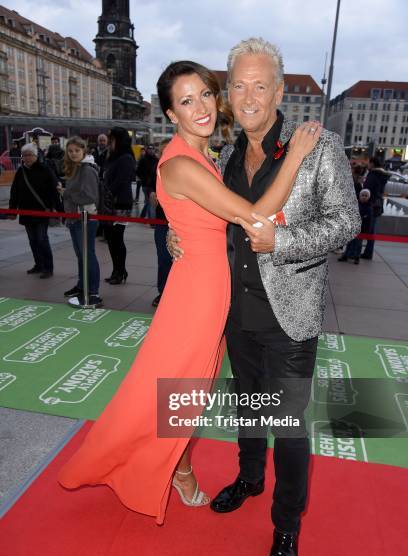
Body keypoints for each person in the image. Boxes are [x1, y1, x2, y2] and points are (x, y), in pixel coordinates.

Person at [58, 59, 320, 529]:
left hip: (213, 291)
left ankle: (174, 465)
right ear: (170, 114)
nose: (199, 106)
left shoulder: (205, 156)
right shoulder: (181, 161)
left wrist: (177, 234)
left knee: (188, 393)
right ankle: (175, 470)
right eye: (185, 100)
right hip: (197, 299)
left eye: (204, 94)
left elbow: (199, 218)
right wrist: (296, 156)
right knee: (178, 391)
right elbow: (254, 215)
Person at [168, 38, 360, 556]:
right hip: (236, 314)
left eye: (261, 84)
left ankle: (285, 527)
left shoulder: (319, 148)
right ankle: (249, 478)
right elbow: (212, 224)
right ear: (228, 93)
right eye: (239, 85)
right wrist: (178, 243)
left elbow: (345, 223)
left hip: (291, 317)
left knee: (290, 428)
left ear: (279, 90)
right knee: (250, 410)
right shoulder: (225, 154)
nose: (249, 96)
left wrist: (284, 242)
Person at [60, 136, 102, 307]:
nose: (73, 154)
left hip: (85, 218)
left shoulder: (87, 169)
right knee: (81, 255)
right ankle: (82, 286)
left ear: (84, 150)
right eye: (70, 151)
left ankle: (93, 292)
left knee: (87, 255)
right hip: (76, 218)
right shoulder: (77, 167)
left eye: (77, 150)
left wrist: (67, 194)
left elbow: (90, 196)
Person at [9, 143, 58, 278]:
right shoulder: (20, 171)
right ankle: (39, 264)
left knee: (42, 239)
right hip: (26, 212)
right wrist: (12, 210)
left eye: (30, 155)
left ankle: (48, 267)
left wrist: (57, 208)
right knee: (32, 240)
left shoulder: (45, 169)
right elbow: (15, 191)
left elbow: (54, 189)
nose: (27, 158)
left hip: (42, 211)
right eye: (25, 155)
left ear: (36, 156)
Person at [102, 127, 136, 285]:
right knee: (110, 238)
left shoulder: (126, 157)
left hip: (120, 202)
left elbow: (122, 181)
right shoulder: (113, 156)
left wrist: (107, 193)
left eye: (112, 139)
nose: (109, 142)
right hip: (110, 202)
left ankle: (120, 271)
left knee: (117, 238)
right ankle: (118, 270)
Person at [148, 139, 173, 307]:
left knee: (180, 261)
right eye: (161, 151)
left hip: (180, 223)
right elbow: (151, 189)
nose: (163, 154)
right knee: (163, 259)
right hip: (161, 221)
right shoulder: (156, 170)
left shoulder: (182, 169)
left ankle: (178, 294)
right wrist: (151, 194)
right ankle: (163, 292)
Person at [360, 156, 389, 260]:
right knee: (372, 230)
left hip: (370, 205)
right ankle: (369, 251)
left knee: (368, 230)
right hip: (378, 205)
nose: (367, 165)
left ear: (372, 163)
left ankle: (367, 253)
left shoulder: (373, 175)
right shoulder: (382, 175)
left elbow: (366, 190)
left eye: (368, 163)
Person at [137, 145, 158, 218]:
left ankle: (142, 216)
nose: (151, 150)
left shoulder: (156, 160)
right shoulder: (143, 159)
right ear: (147, 150)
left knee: (148, 201)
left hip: (153, 184)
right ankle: (150, 219)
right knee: (149, 202)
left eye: (152, 149)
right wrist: (143, 178)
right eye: (149, 149)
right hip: (145, 184)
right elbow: (138, 171)